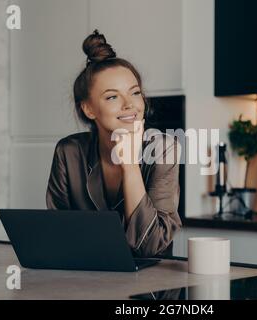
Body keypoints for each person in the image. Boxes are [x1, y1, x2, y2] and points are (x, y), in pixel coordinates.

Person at [46, 30, 182, 258]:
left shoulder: (163, 149)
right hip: (85, 281)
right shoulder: (68, 152)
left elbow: (151, 246)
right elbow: (59, 234)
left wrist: (129, 166)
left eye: (135, 93)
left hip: (150, 286)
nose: (130, 104)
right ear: (88, 109)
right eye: (112, 97)